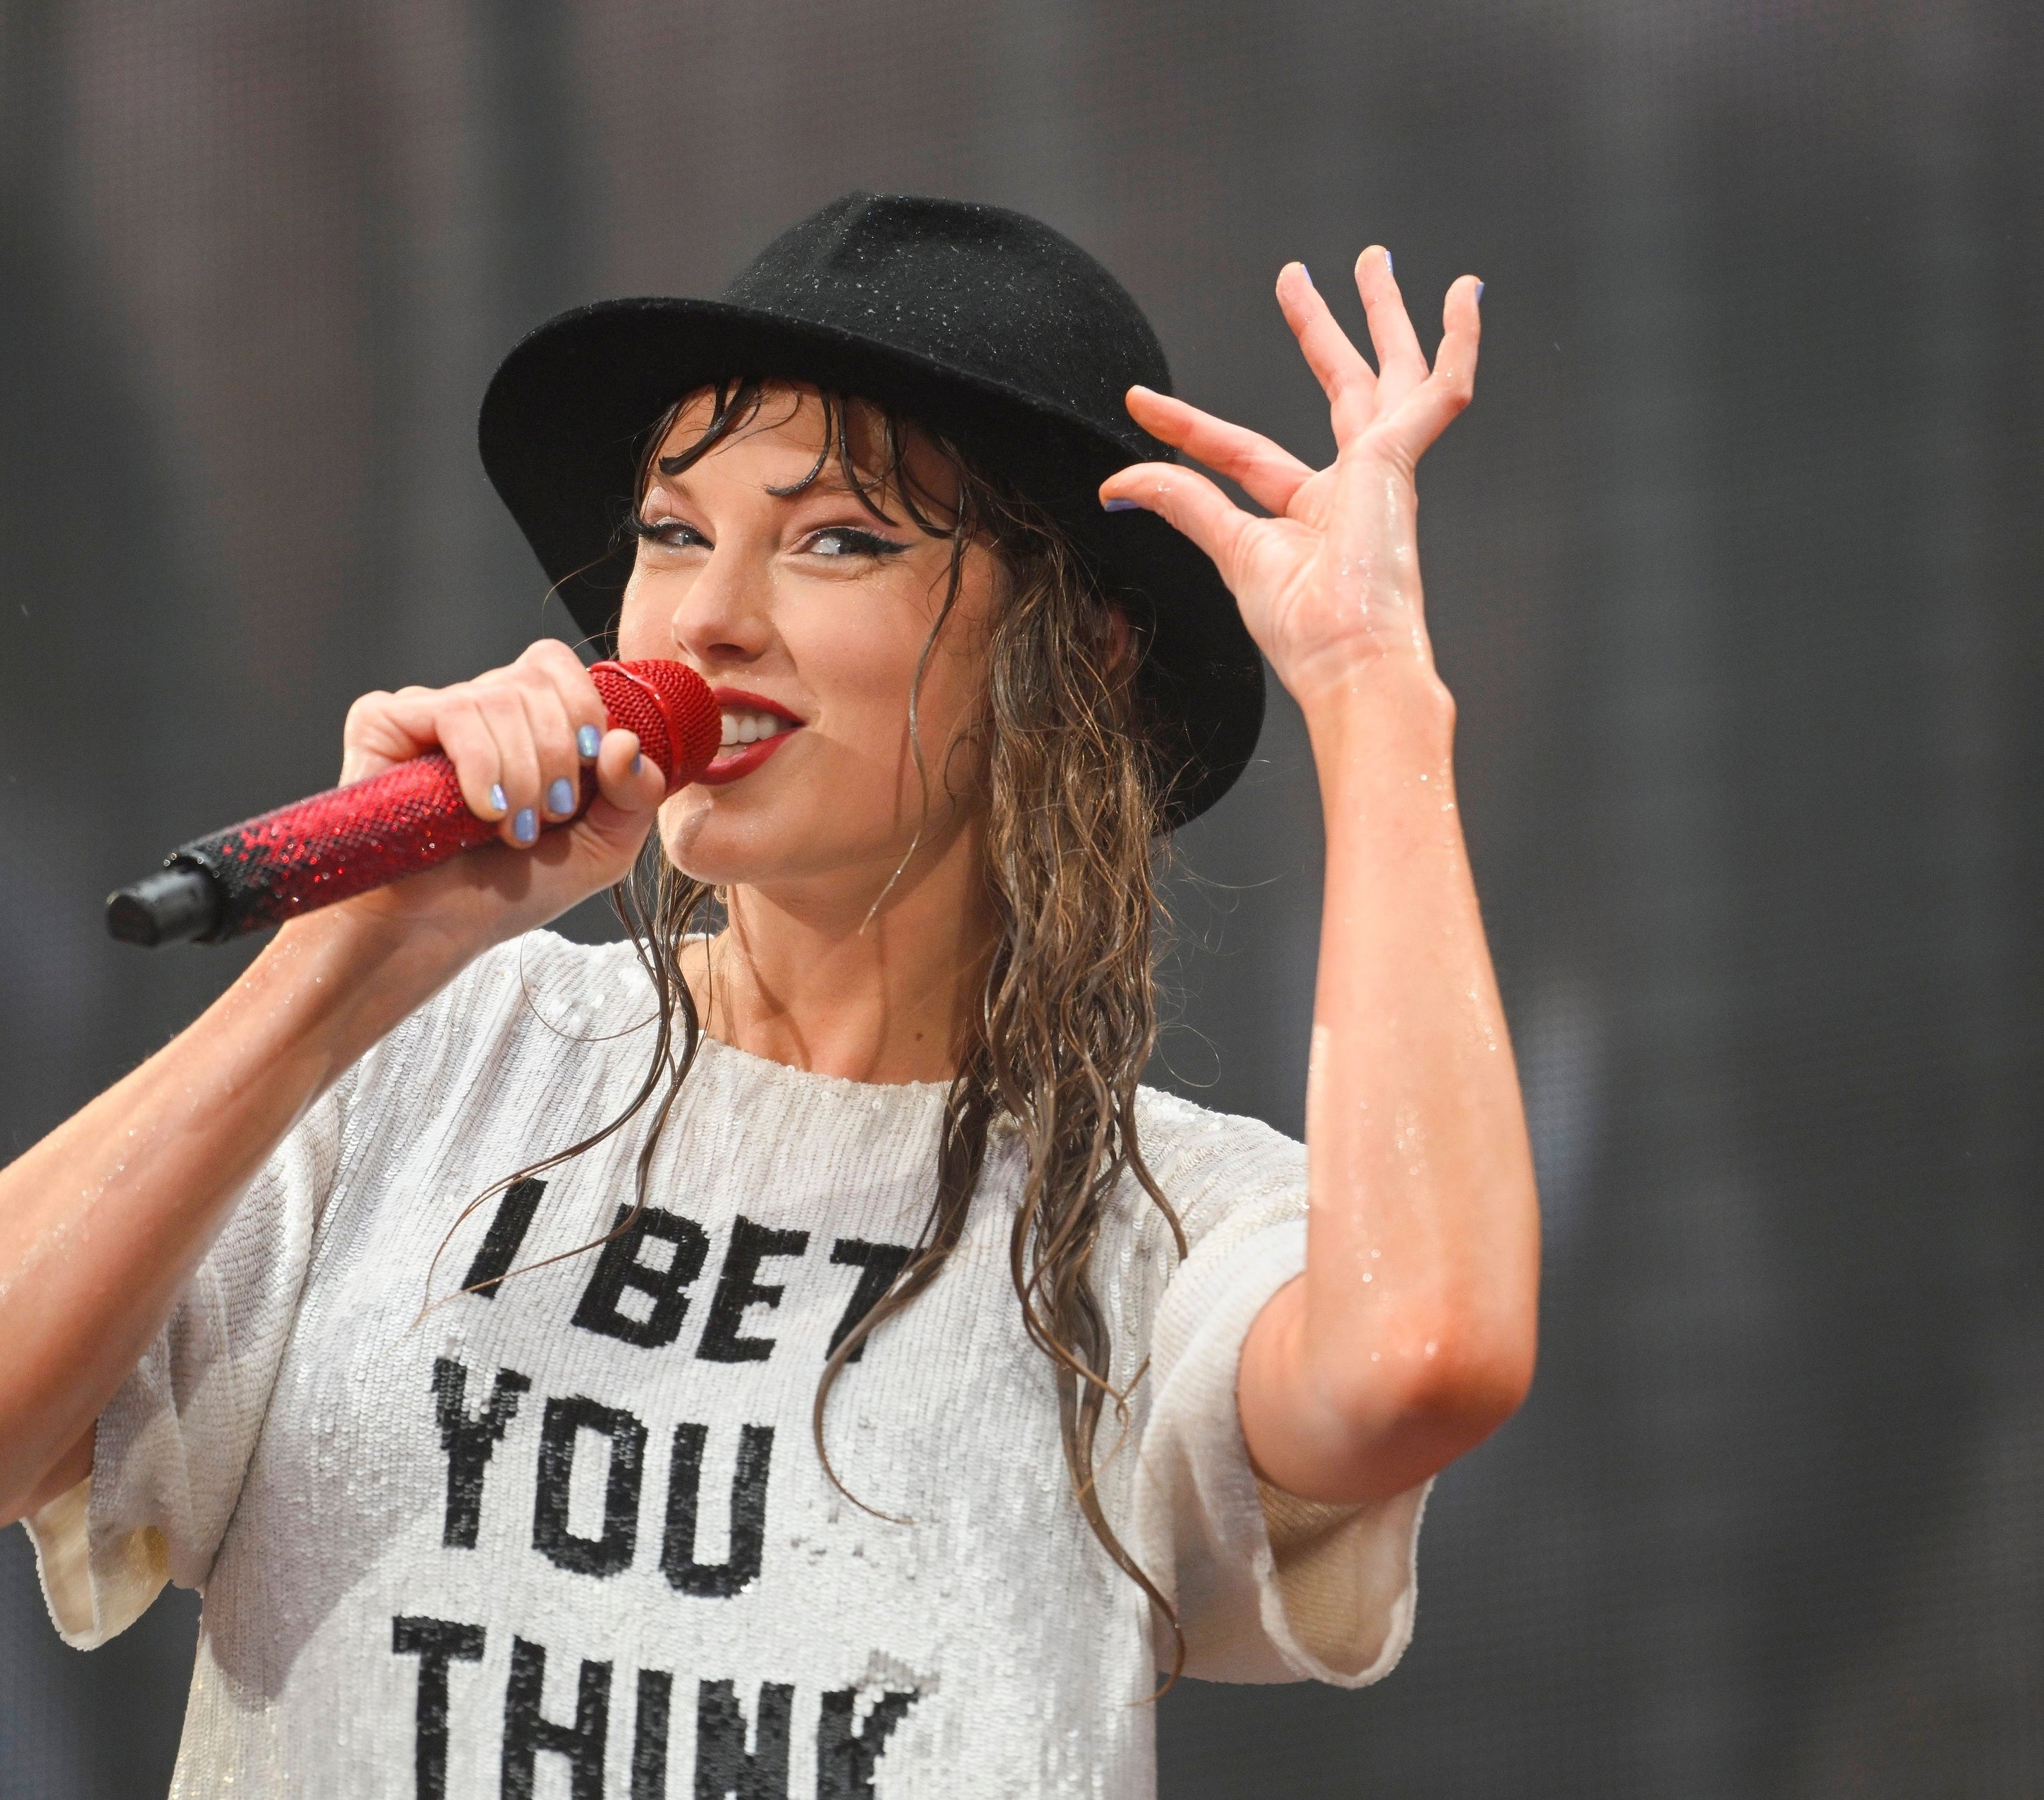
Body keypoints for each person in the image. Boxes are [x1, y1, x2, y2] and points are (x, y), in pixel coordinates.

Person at [0, 194, 1537, 1797]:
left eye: (836, 539)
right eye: (673, 533)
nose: (707, 617)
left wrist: (1368, 685)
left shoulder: (1161, 1228)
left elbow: (1425, 1354)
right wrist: (343, 974)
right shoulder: (425, 1053)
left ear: (1077, 652)